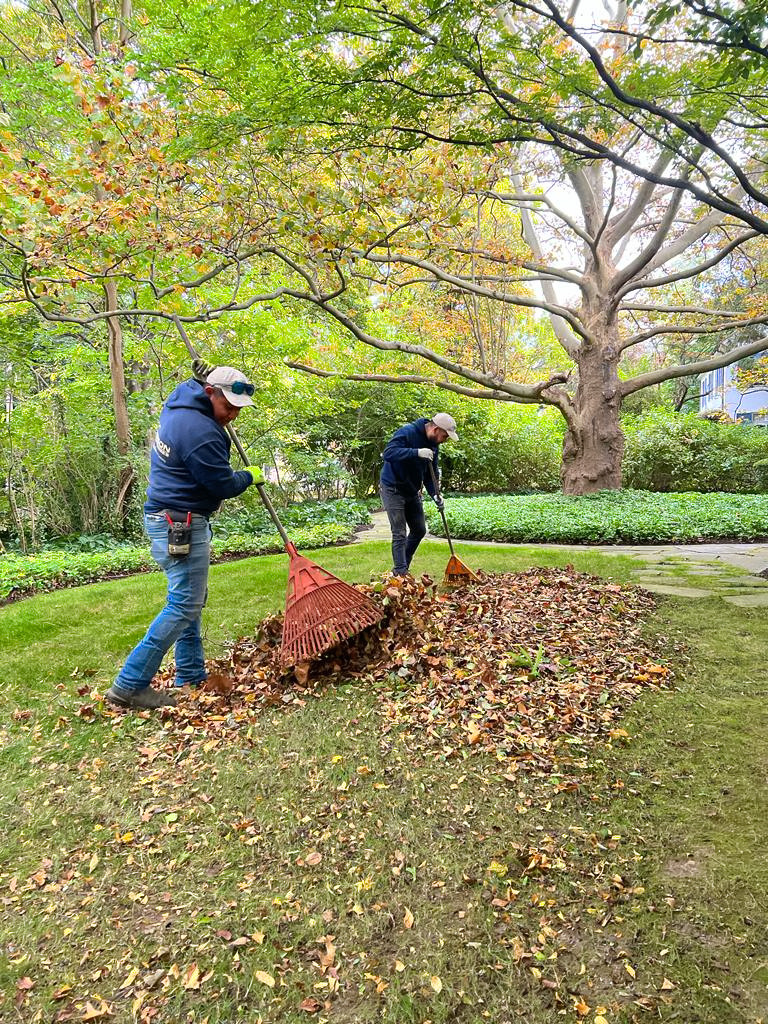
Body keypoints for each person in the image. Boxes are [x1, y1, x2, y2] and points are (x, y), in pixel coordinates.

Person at [105, 365, 260, 710]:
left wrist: (198, 374)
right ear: (210, 393)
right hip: (180, 522)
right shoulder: (199, 431)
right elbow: (222, 484)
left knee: (190, 598)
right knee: (184, 604)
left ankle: (189, 673)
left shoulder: (181, 404)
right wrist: (248, 476)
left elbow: (200, 389)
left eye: (239, 408)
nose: (234, 415)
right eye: (229, 407)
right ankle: (129, 685)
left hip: (169, 515)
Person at [379, 413, 458, 577]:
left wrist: (435, 494)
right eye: (444, 436)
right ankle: (401, 572)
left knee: (419, 529)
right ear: (436, 429)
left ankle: (402, 566)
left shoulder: (434, 443)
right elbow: (389, 453)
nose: (444, 440)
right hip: (393, 488)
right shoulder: (407, 432)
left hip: (412, 490)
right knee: (399, 532)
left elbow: (430, 473)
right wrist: (415, 452)